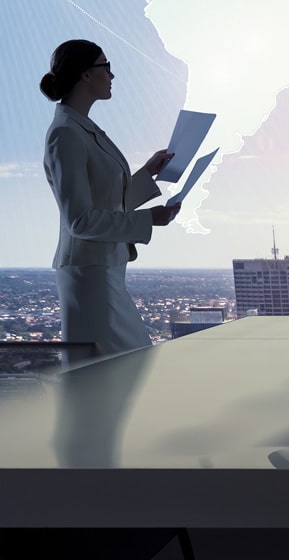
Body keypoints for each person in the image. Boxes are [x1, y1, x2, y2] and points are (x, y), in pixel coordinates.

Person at [40, 40, 177, 362]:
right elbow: (80, 220)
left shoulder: (81, 128)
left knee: (118, 370)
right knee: (120, 368)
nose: (112, 75)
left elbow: (106, 199)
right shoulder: (66, 133)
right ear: (86, 75)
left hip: (103, 270)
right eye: (106, 67)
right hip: (89, 275)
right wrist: (149, 219)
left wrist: (148, 172)